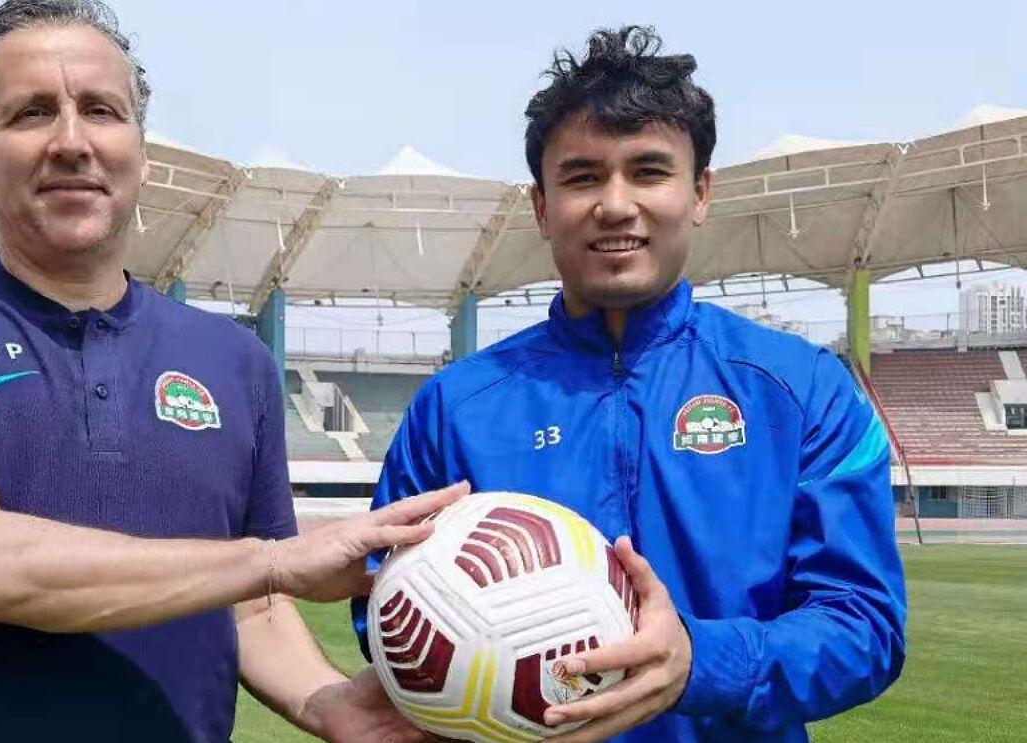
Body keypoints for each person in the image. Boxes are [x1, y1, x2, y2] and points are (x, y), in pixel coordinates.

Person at [0, 2, 465, 741]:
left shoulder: (237, 361)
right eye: (32, 113)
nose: (71, 141)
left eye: (101, 110)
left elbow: (252, 608)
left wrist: (326, 699)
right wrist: (275, 562)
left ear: (142, 154)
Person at [352, 26, 906, 743]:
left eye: (648, 171)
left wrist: (698, 663)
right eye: (582, 177)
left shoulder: (800, 390)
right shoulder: (454, 408)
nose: (614, 204)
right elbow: (380, 603)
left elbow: (865, 624)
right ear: (543, 206)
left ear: (700, 192)